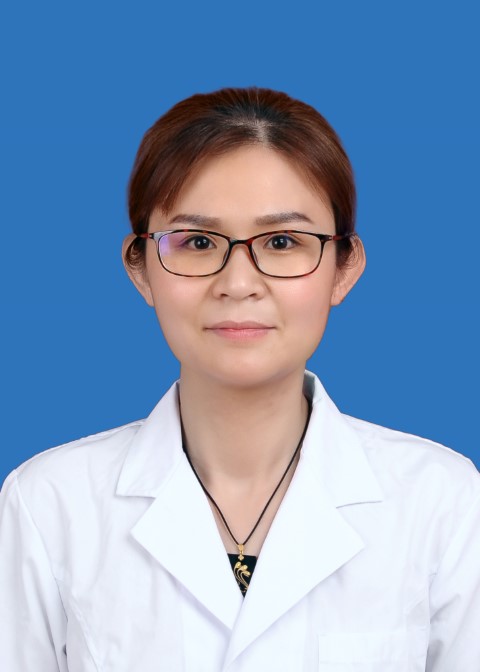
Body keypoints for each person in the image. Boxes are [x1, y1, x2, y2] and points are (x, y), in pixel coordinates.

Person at [0, 87, 479, 672]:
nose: (238, 283)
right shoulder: (49, 505)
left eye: (282, 242)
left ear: (343, 267)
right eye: (198, 242)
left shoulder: (444, 502)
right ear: (140, 269)